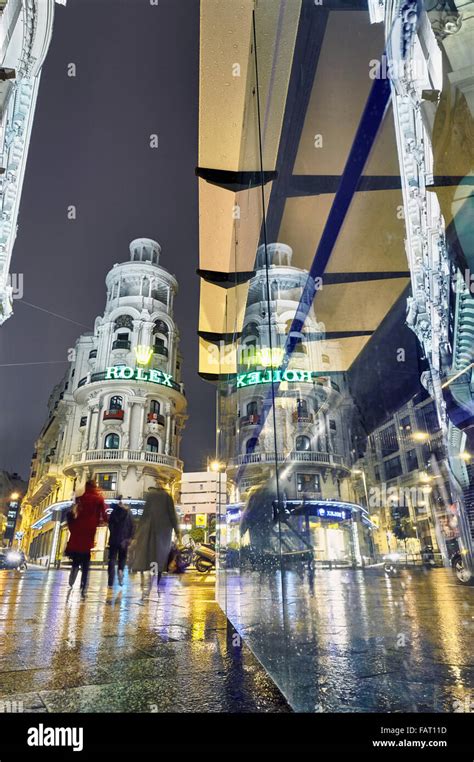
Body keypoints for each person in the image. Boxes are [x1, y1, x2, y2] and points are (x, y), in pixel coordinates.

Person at [131, 485, 181, 597]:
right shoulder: (167, 496)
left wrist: (139, 531)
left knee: (150, 556)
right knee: (160, 558)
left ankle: (149, 583)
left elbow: (144, 515)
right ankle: (157, 583)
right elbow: (172, 515)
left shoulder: (150, 496)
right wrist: (177, 531)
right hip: (163, 532)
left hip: (151, 530)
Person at [65, 480, 107, 598]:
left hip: (78, 527)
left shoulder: (81, 498)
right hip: (89, 529)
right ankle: (83, 586)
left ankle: (72, 577)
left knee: (77, 557)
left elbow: (74, 509)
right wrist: (104, 521)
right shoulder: (98, 499)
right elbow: (104, 514)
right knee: (85, 560)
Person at [107, 496, 134, 588]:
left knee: (112, 559)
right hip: (124, 541)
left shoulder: (114, 512)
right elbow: (132, 526)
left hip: (114, 540)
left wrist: (113, 534)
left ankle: (110, 581)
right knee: (122, 558)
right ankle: (120, 570)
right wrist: (130, 537)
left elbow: (110, 525)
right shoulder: (128, 513)